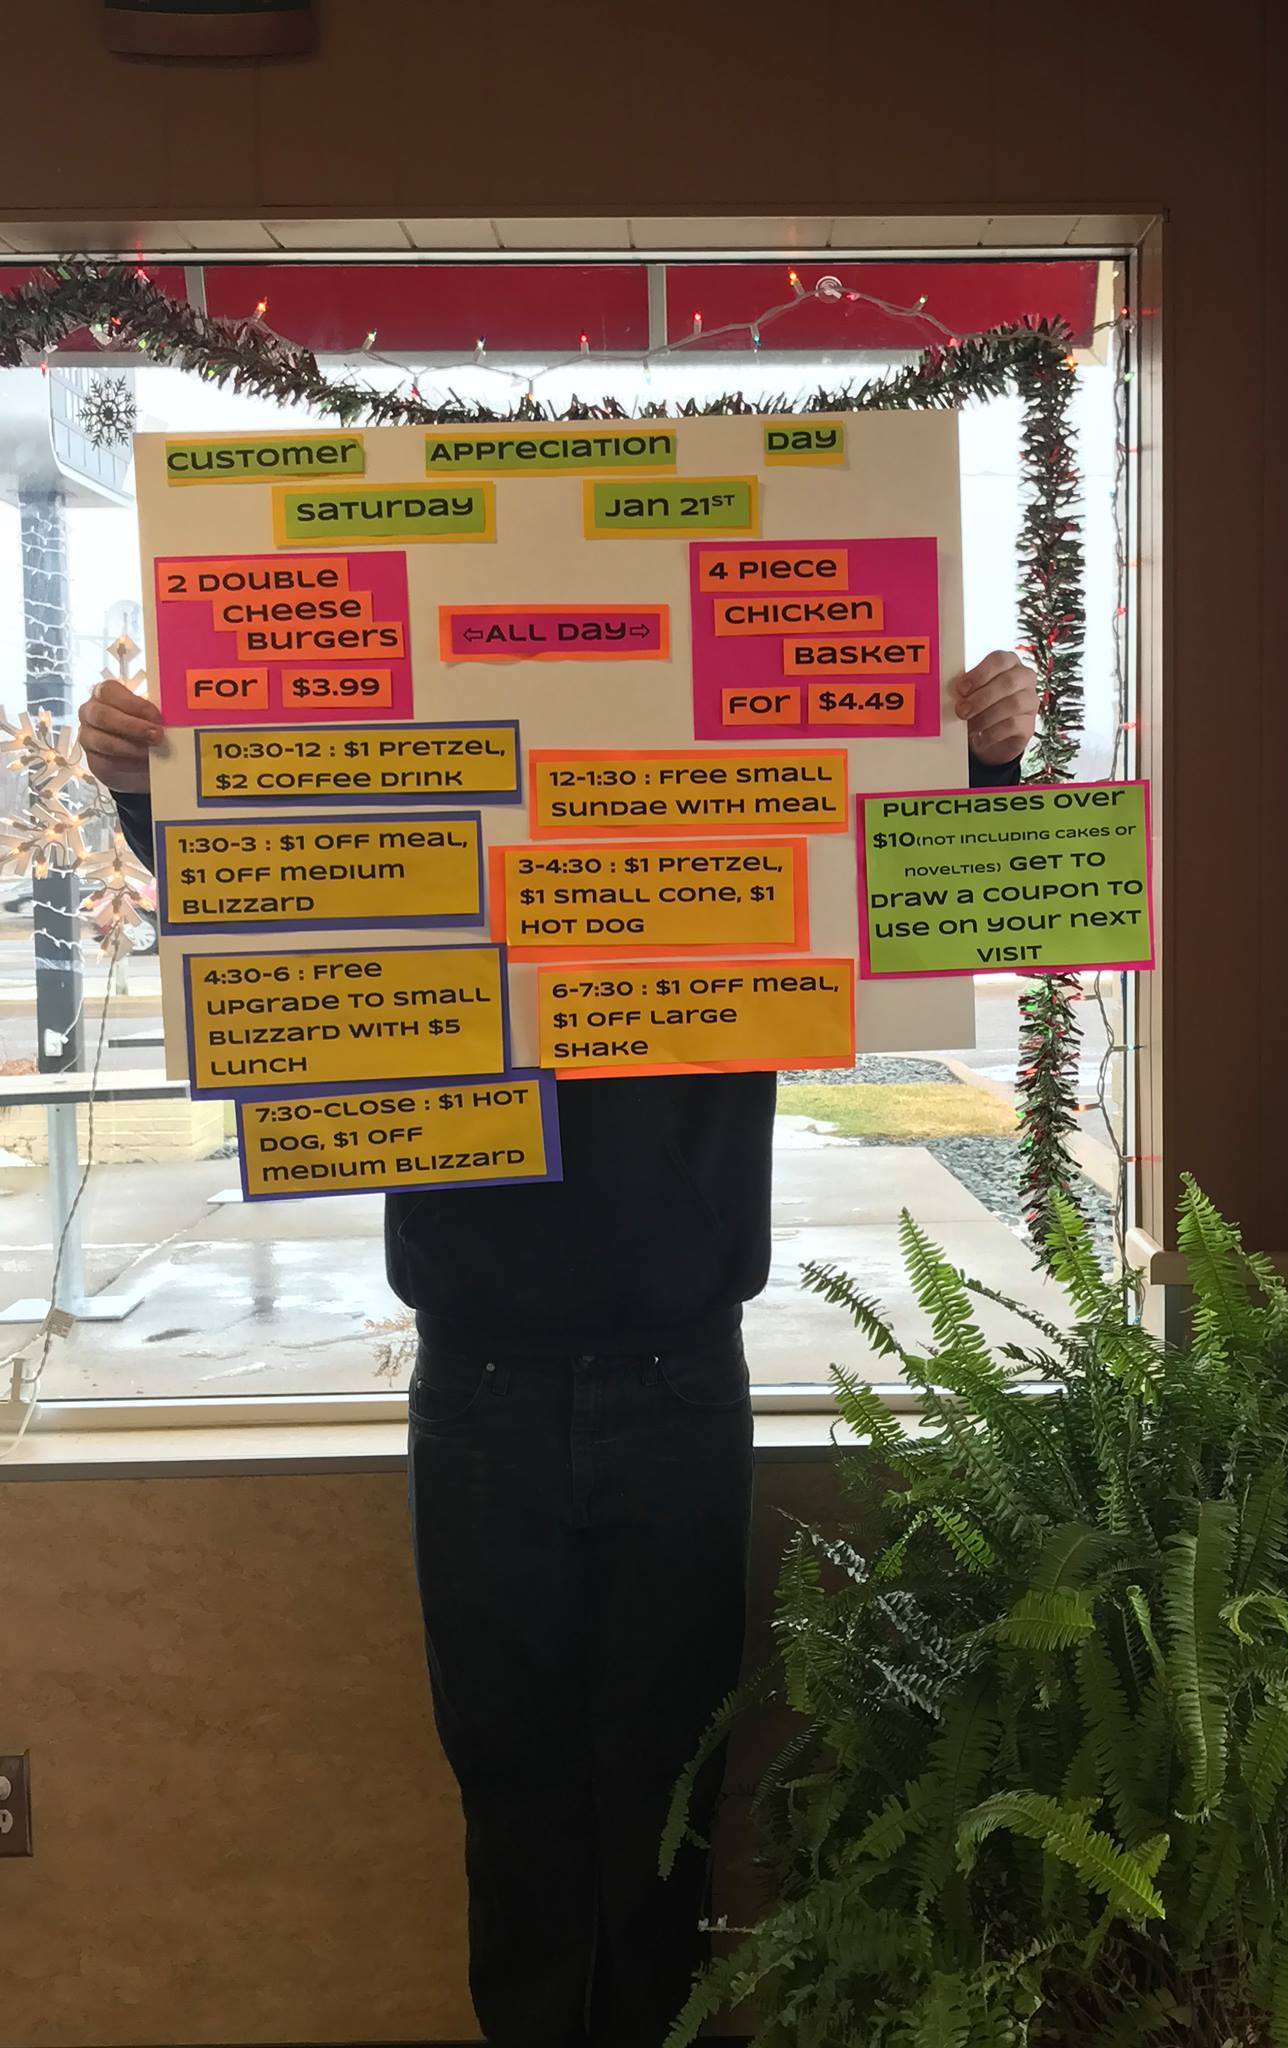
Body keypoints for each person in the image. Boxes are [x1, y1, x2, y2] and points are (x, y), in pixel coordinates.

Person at [81, 646, 1036, 2048]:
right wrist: (146, 785)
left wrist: (983, 763)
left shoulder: (728, 800)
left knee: (669, 1792)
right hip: (484, 1383)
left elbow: (892, 886)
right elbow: (285, 879)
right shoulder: (439, 795)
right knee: (513, 1791)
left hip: (678, 1376)